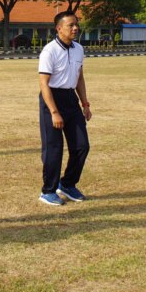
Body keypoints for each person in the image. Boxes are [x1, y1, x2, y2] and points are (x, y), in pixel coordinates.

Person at [37, 11, 92, 206]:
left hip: (70, 99)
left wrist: (84, 103)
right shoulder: (49, 51)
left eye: (76, 25)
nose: (75, 28)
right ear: (59, 28)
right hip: (52, 98)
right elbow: (44, 83)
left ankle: (67, 184)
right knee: (54, 149)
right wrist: (54, 112)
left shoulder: (78, 49)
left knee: (81, 145)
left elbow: (79, 77)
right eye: (71, 25)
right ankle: (48, 190)